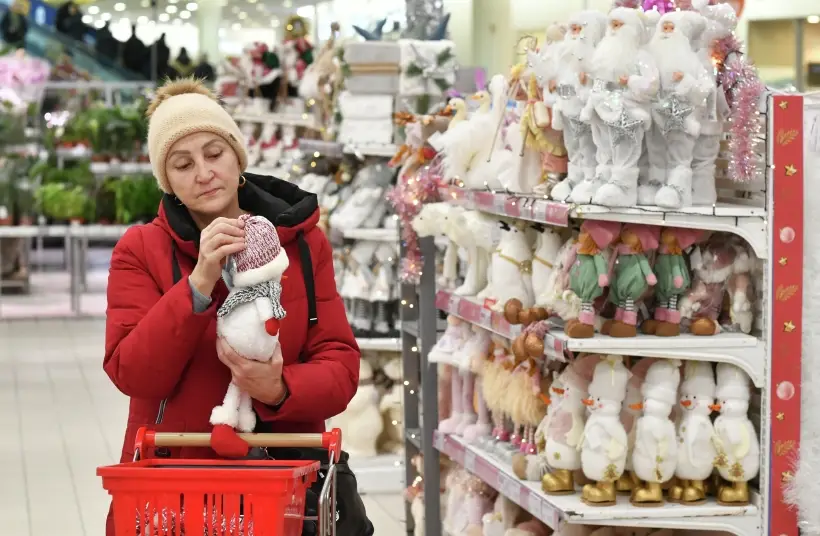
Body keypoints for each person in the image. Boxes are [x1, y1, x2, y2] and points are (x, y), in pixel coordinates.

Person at [103, 78, 371, 535]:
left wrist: (280, 389)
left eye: (214, 153)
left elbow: (341, 365)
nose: (204, 172)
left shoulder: (302, 244)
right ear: (167, 181)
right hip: (176, 491)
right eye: (182, 164)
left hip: (283, 488)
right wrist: (199, 284)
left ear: (238, 157)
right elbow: (132, 373)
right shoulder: (140, 250)